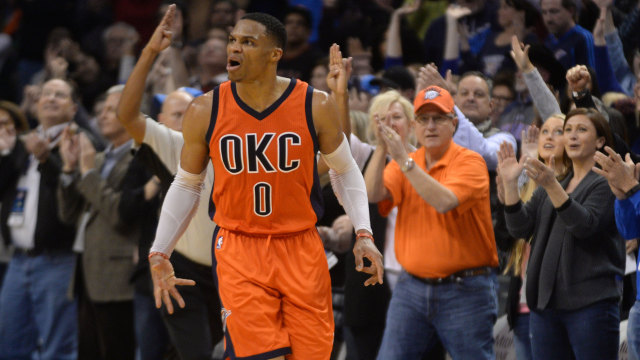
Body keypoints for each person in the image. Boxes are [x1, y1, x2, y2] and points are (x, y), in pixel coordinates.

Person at [146, 9, 383, 360]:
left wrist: (364, 232)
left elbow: (345, 171)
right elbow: (186, 184)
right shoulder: (204, 110)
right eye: (232, 40)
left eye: (248, 42)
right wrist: (160, 249)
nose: (235, 48)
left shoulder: (314, 104)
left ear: (275, 54)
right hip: (240, 248)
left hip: (301, 245)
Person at [117, 7, 224, 360]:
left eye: (193, 110)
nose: (188, 118)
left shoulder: (238, 147)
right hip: (184, 270)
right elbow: (127, 115)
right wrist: (150, 52)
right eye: (178, 114)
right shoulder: (173, 144)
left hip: (237, 268)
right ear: (164, 120)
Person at [367, 85, 499, 359]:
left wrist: (403, 160)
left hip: (465, 290)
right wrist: (382, 147)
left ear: (453, 124)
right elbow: (371, 193)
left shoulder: (470, 162)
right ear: (414, 126)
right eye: (423, 119)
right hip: (411, 288)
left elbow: (444, 202)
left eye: (438, 118)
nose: (430, 126)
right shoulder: (408, 162)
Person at [498, 107, 623, 359]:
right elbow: (520, 227)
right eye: (568, 130)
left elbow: (584, 225)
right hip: (546, 308)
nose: (572, 136)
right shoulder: (555, 182)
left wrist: (551, 185)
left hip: (591, 306)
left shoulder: (606, 182)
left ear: (600, 141)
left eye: (582, 130)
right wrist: (511, 185)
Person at [57, 85, 145, 360]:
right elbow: (69, 215)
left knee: (118, 351)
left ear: (134, 113)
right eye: (102, 110)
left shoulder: (141, 158)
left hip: (119, 276)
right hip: (86, 270)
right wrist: (71, 169)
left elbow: (120, 214)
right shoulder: (93, 158)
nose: (102, 116)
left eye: (112, 109)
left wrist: (87, 172)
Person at [0, 78, 78, 359]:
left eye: (60, 94)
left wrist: (48, 160)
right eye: (46, 94)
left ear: (73, 107)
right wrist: (6, 154)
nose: (51, 98)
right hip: (18, 260)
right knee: (9, 345)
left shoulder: (78, 141)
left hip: (58, 259)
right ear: (36, 104)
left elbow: (75, 195)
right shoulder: (22, 144)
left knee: (57, 348)